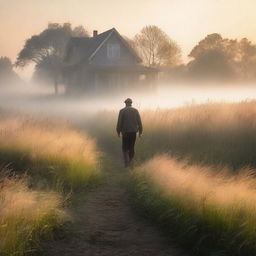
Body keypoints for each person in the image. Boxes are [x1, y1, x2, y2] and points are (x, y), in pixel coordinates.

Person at [116, 98, 143, 167]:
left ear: (125, 103)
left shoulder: (122, 111)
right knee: (131, 147)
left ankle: (126, 163)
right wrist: (140, 132)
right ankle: (130, 161)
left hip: (125, 132)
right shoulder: (135, 111)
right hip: (133, 132)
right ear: (131, 103)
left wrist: (118, 131)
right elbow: (139, 122)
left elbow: (119, 122)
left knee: (124, 147)